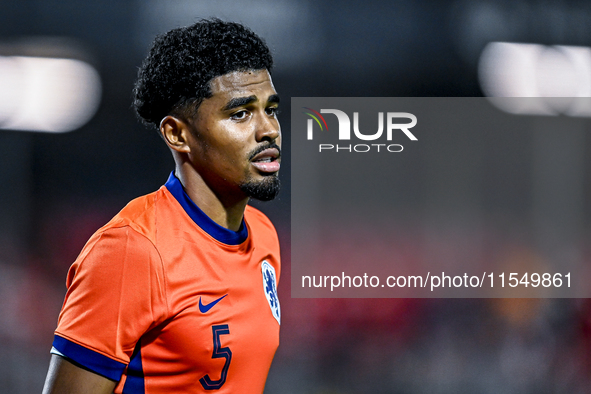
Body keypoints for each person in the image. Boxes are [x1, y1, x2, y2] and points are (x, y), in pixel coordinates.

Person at [42, 19, 282, 393]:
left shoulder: (263, 235)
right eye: (241, 113)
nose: (268, 129)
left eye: (271, 109)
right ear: (177, 134)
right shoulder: (132, 250)